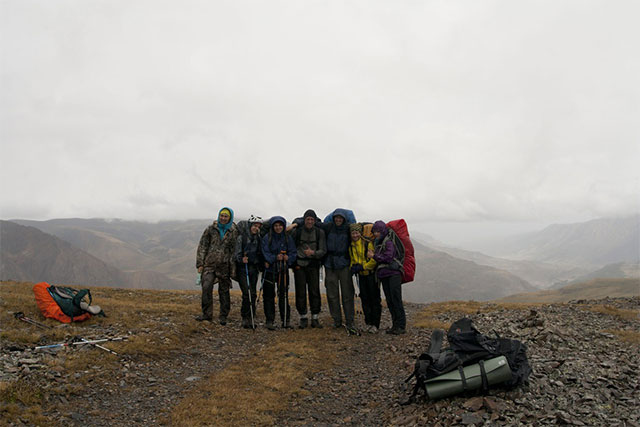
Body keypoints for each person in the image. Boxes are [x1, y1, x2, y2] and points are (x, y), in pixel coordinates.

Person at [196, 207, 239, 325]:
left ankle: (223, 316)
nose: (223, 218)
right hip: (209, 264)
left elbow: (235, 249)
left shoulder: (234, 231)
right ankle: (207, 314)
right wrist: (200, 263)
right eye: (222, 216)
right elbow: (203, 246)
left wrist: (233, 267)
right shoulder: (211, 229)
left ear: (230, 218)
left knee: (224, 291)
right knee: (206, 287)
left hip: (225, 266)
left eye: (226, 216)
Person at [321, 209, 357, 335]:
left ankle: (349, 320)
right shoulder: (328, 227)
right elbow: (314, 222)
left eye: (340, 218)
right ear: (333, 218)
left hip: (344, 264)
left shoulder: (348, 228)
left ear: (344, 219)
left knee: (347, 293)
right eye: (336, 217)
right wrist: (296, 223)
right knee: (332, 294)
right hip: (330, 265)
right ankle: (337, 320)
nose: (338, 220)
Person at [290, 209, 326, 328]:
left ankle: (315, 317)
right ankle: (303, 317)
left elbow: (323, 250)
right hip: (299, 265)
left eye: (312, 219)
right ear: (304, 220)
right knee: (300, 292)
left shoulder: (320, 233)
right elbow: (292, 247)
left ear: (315, 220)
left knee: (314, 291)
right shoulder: (297, 232)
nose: (310, 221)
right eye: (308, 219)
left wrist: (313, 253)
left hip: (313, 265)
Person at [370, 220, 406, 334]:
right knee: (390, 301)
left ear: (382, 231)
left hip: (393, 274)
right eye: (374, 232)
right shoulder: (379, 242)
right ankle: (395, 326)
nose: (376, 234)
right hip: (385, 275)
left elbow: (388, 258)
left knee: (395, 300)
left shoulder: (388, 242)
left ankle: (401, 326)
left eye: (378, 231)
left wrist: (374, 256)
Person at [261, 216, 297, 330]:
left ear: (283, 226)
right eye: (276, 226)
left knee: (284, 295)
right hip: (270, 270)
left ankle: (285, 320)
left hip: (283, 270)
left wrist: (288, 258)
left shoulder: (287, 238)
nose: (278, 227)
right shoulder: (267, 238)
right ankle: (269, 320)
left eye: (280, 225)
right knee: (268, 296)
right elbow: (264, 252)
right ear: (272, 226)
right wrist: (275, 257)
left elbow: (293, 252)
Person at [349, 223, 380, 333]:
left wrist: (363, 266)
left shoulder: (367, 243)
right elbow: (352, 258)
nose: (355, 235)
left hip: (371, 275)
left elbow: (373, 260)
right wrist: (353, 267)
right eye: (353, 233)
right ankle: (368, 322)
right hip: (361, 276)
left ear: (360, 233)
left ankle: (375, 324)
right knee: (365, 299)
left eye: (357, 232)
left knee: (374, 299)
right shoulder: (351, 245)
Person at [235, 215, 263, 329]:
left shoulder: (259, 239)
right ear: (250, 225)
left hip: (253, 269)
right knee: (246, 294)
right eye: (255, 226)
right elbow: (236, 254)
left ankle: (251, 316)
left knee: (253, 293)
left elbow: (260, 253)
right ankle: (245, 317)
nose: (256, 228)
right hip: (243, 269)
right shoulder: (242, 238)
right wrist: (241, 259)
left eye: (258, 226)